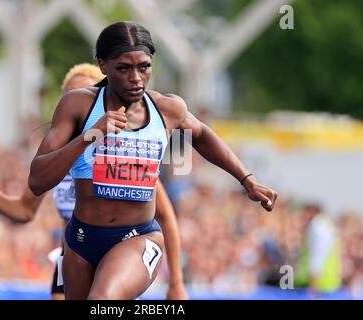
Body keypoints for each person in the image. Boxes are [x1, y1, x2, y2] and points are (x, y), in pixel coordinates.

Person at [27, 21, 278, 300]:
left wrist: (248, 180)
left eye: (144, 67)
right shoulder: (78, 105)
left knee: (103, 301)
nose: (136, 78)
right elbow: (37, 180)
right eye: (124, 68)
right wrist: (90, 135)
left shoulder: (168, 109)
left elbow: (203, 136)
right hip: (81, 240)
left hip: (138, 237)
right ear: (103, 66)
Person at [0, 63, 187, 300]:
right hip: (74, 256)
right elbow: (24, 210)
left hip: (118, 253)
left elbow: (165, 217)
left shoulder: (122, 156)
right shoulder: (55, 162)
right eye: (70, 96)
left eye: (85, 93)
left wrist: (175, 283)